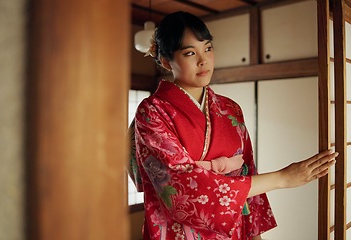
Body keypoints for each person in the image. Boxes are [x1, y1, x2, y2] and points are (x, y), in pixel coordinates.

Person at [129, 11, 337, 240]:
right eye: (190, 53)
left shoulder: (230, 109)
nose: (203, 60)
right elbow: (180, 187)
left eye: (208, 48)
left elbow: (247, 169)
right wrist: (282, 178)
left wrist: (254, 234)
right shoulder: (152, 111)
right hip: (179, 232)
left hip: (233, 230)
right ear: (167, 61)